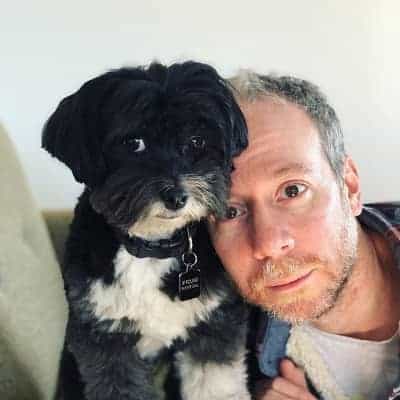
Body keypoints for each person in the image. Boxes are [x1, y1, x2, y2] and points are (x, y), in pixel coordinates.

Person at [208, 71, 400, 400]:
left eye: (293, 191)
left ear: (350, 187)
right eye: (230, 212)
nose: (268, 244)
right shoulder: (210, 343)